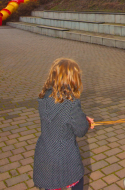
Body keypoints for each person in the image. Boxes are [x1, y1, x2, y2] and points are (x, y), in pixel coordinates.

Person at [33, 59, 94, 190]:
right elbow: (80, 130)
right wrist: (85, 123)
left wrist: (82, 118)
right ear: (72, 80)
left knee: (52, 185)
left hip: (46, 154)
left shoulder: (44, 97)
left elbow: (59, 119)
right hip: (66, 157)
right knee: (77, 182)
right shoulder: (70, 103)